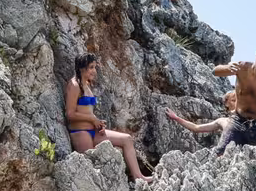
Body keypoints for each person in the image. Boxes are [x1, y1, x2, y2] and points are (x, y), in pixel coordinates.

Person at [66, 54, 148, 183]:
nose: (94, 70)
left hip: (93, 130)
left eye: (95, 67)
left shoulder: (86, 84)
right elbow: (70, 114)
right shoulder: (74, 85)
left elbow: (86, 111)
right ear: (82, 68)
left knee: (127, 139)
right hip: (80, 133)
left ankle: (139, 177)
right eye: (91, 67)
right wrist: (92, 119)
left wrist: (97, 123)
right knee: (90, 165)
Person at [210, 43, 256, 152]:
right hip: (238, 121)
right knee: (220, 152)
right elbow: (215, 71)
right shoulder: (242, 68)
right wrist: (227, 67)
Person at [165, 91, 239, 144]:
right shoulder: (222, 121)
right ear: (226, 104)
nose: (237, 103)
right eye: (234, 100)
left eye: (239, 100)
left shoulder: (249, 118)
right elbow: (196, 128)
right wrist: (176, 118)